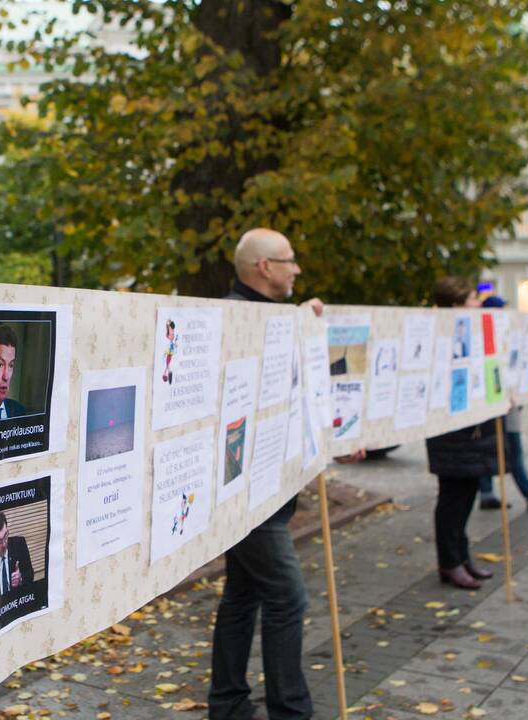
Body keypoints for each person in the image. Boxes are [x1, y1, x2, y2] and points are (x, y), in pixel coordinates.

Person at [209, 228, 363, 720]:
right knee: (287, 597)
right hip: (247, 494)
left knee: (242, 595)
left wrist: (306, 324)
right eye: (288, 261)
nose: (296, 269)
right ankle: (290, 711)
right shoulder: (235, 319)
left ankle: (228, 704)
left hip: (271, 487)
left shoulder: (277, 317)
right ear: (264, 268)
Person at [425, 277, 497, 590]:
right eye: (471, 300)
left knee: (466, 493)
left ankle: (462, 556)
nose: (477, 304)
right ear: (454, 305)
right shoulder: (437, 336)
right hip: (451, 429)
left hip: (472, 428)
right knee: (452, 498)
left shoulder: (473, 332)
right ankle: (449, 562)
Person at [475, 296, 528, 514]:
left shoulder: (507, 337)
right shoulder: (487, 338)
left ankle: (488, 493)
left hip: (510, 403)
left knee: (504, 448)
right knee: (511, 450)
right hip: (498, 405)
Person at [0, 512, 34, 617]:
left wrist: (21, 578)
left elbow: (30, 574)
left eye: (6, 536)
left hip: (21, 610)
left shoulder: (19, 544)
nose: (4, 544)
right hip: (1, 617)